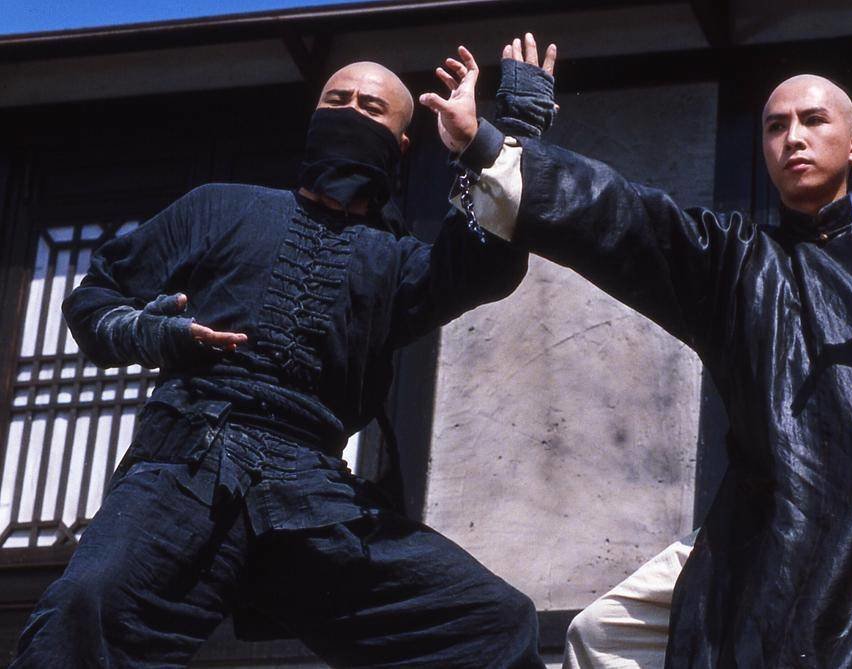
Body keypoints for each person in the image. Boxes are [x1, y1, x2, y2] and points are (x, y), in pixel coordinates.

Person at [420, 40, 852, 668]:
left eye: (813, 121)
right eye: (775, 126)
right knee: (601, 633)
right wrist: (489, 142)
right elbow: (619, 216)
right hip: (767, 526)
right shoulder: (732, 263)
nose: (793, 137)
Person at [12, 53, 557, 668]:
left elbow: (486, 264)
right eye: (336, 101)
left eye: (371, 107)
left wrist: (503, 134)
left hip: (311, 493)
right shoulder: (219, 207)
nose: (350, 112)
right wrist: (153, 333)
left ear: (401, 145)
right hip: (187, 459)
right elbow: (95, 300)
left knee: (491, 623)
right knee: (82, 608)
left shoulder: (400, 263)